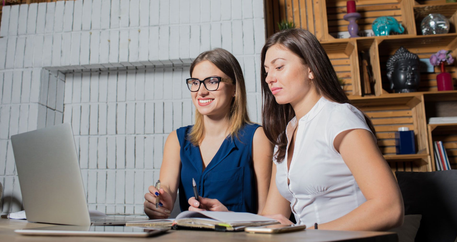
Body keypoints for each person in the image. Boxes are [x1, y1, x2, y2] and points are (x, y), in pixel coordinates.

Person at [188, 29, 404, 231]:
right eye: (266, 70)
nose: (269, 78)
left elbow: (389, 208)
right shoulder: (286, 135)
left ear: (310, 68)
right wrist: (227, 217)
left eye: (279, 67)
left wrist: (305, 234)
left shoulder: (338, 118)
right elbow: (272, 216)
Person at [144, 48, 273, 218]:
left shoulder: (257, 138)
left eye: (212, 81)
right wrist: (159, 202)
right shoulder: (177, 139)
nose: (201, 91)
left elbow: (268, 216)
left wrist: (230, 217)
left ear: (234, 88)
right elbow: (165, 188)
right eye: (195, 82)